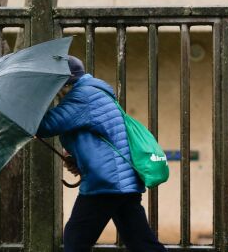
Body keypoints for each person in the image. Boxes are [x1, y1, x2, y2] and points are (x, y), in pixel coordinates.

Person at [37, 56, 166, 252]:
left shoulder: (82, 96)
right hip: (122, 182)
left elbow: (45, 125)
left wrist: (26, 106)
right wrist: (78, 160)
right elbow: (99, 139)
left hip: (106, 183)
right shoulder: (95, 92)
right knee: (142, 243)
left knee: (75, 240)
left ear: (65, 82)